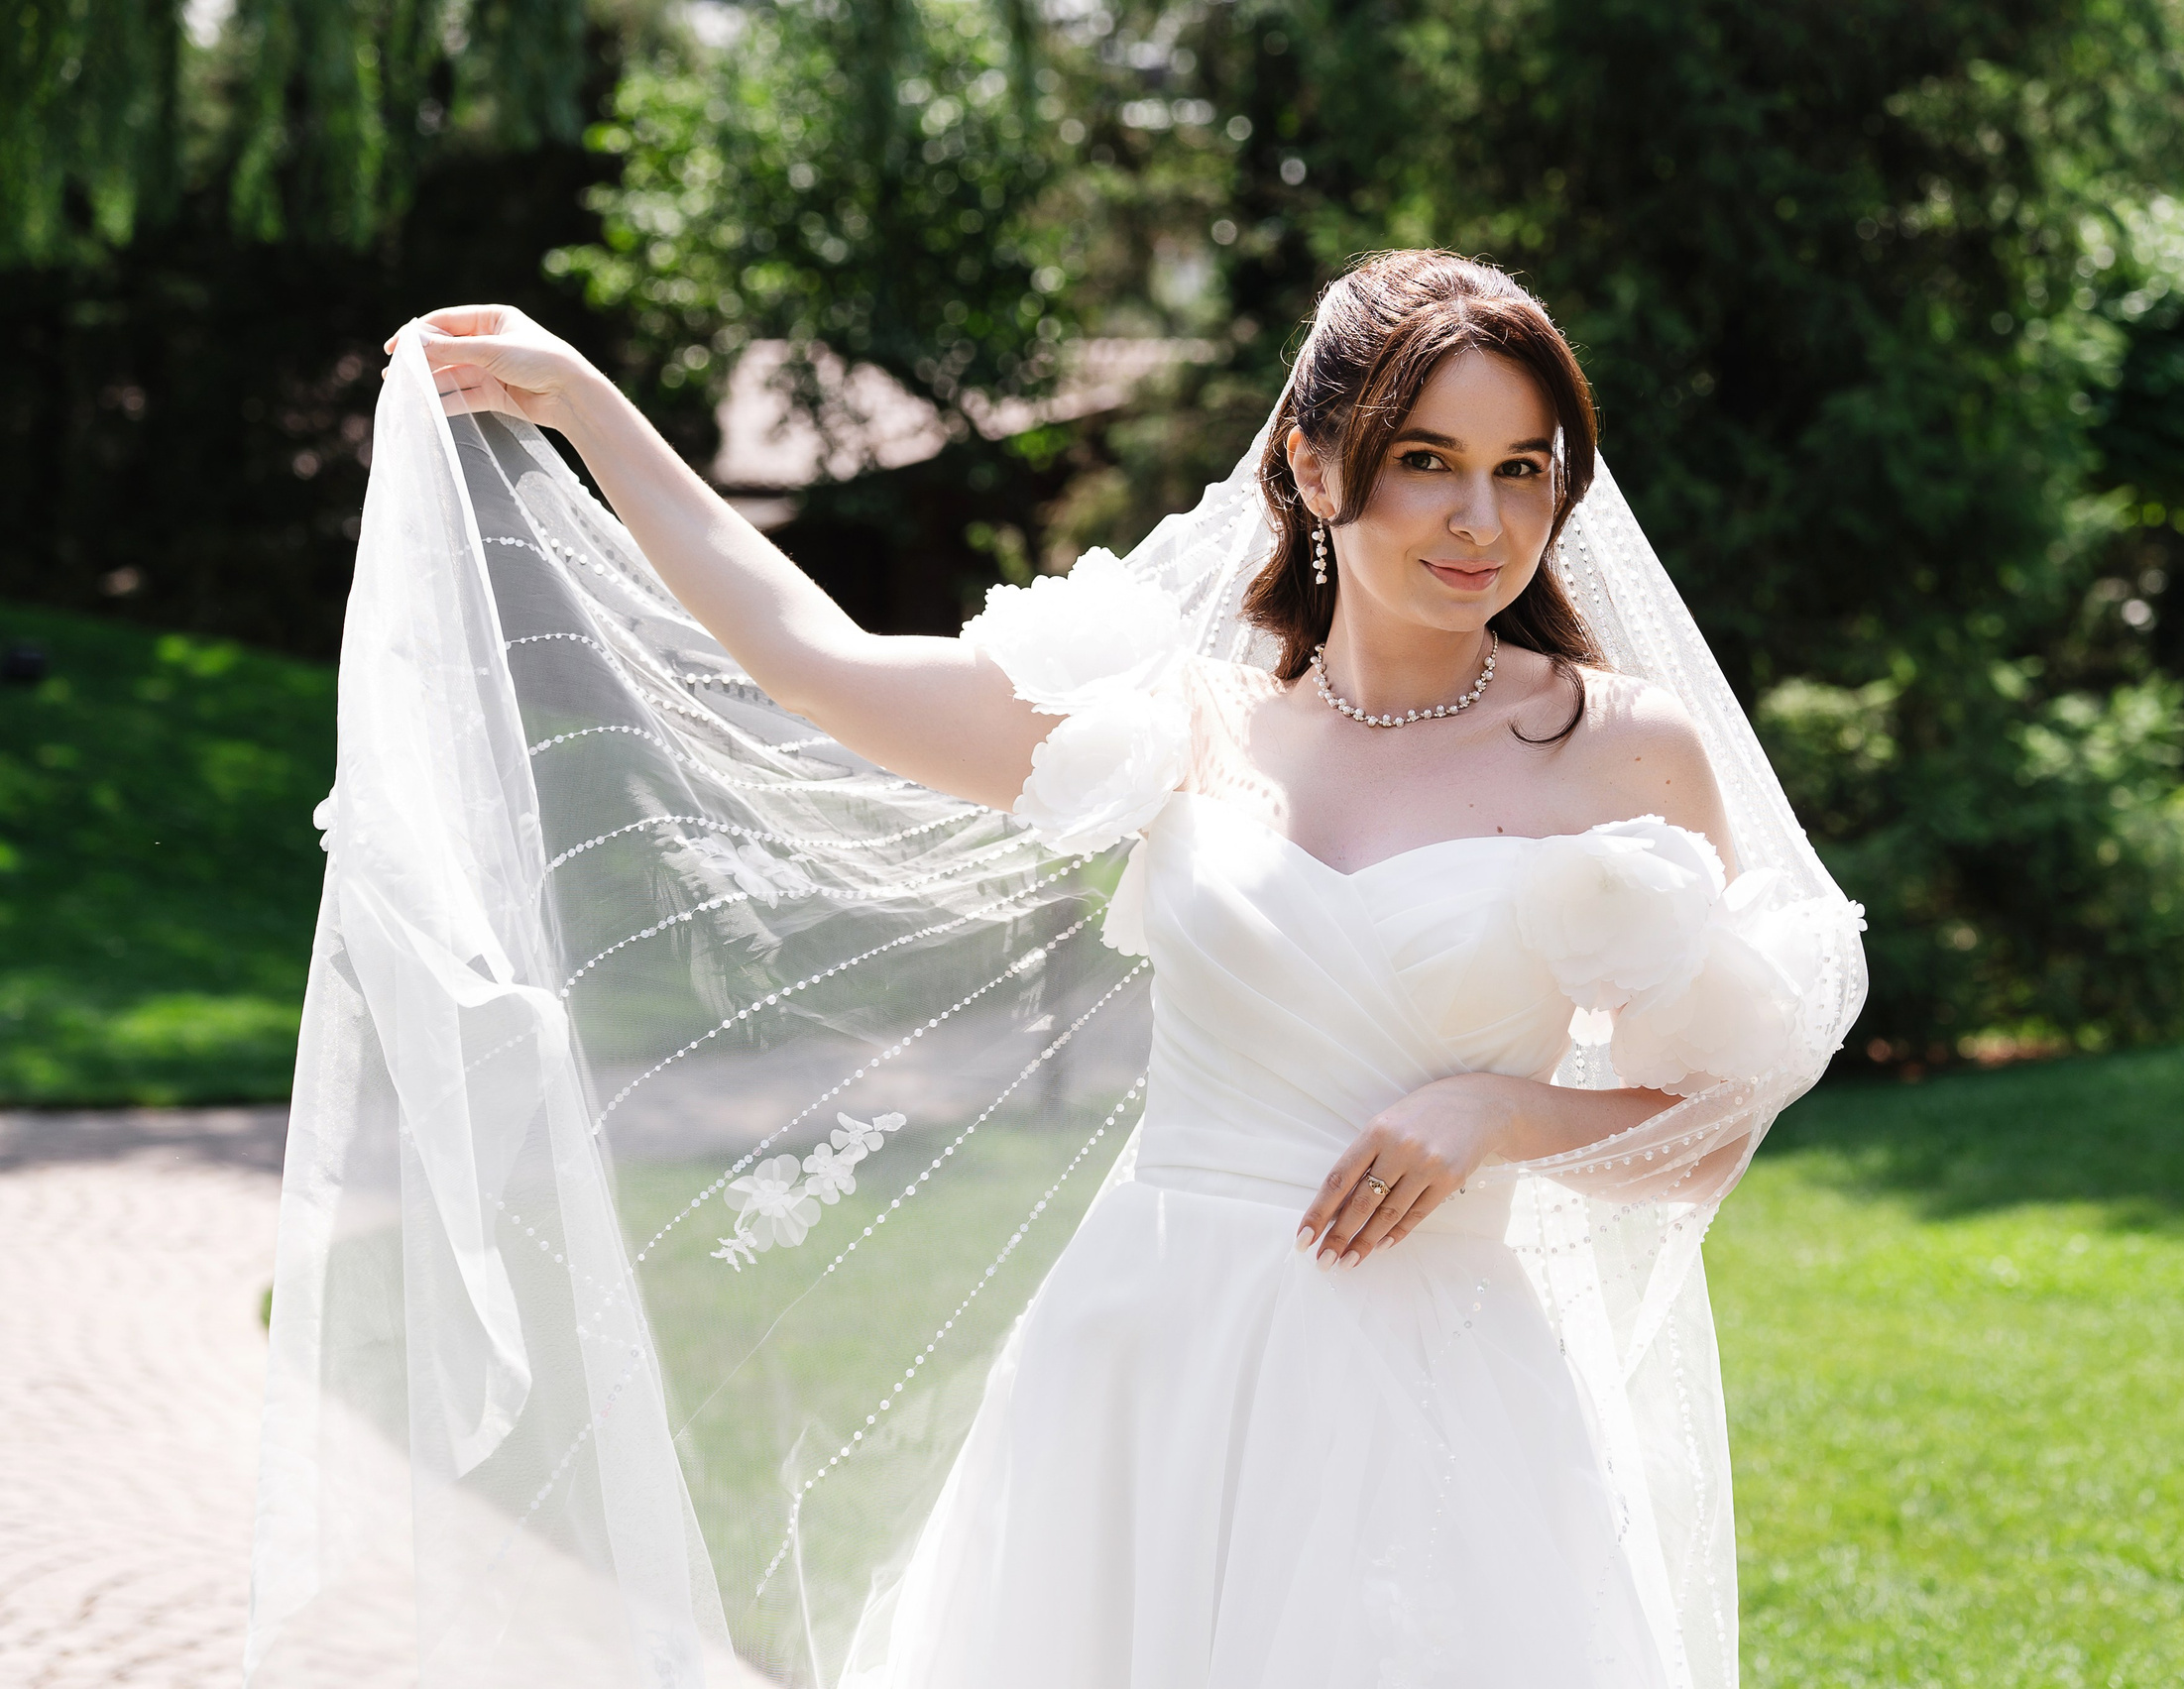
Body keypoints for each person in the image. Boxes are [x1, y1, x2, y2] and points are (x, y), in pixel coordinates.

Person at [254, 251, 1863, 1689]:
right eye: (1426, 462)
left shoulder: (1614, 752)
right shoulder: (1177, 722)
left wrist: (1501, 1114)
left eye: (1525, 470)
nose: (1482, 521)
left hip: (1428, 1374)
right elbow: (818, 667)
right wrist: (592, 406)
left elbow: (1703, 1126)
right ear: (1309, 465)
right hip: (1143, 1350)